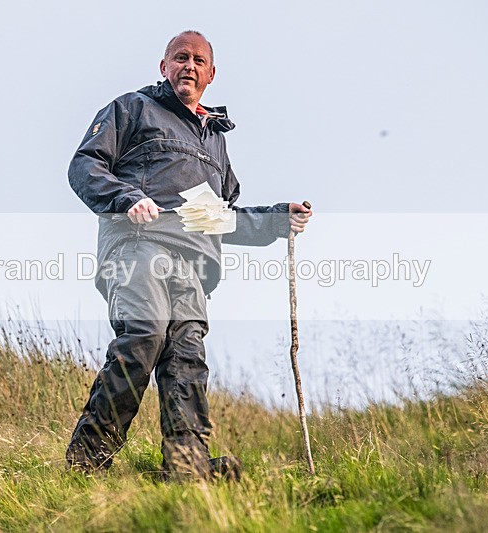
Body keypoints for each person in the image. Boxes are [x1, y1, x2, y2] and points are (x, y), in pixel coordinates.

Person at [66, 30, 311, 480]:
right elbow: (85, 165)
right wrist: (124, 198)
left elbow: (217, 217)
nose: (189, 66)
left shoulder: (214, 141)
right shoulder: (133, 108)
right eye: (180, 58)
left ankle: (186, 467)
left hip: (194, 267)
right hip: (138, 245)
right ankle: (88, 457)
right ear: (164, 67)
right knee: (144, 335)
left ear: (211, 74)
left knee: (186, 360)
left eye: (199, 61)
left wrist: (278, 219)